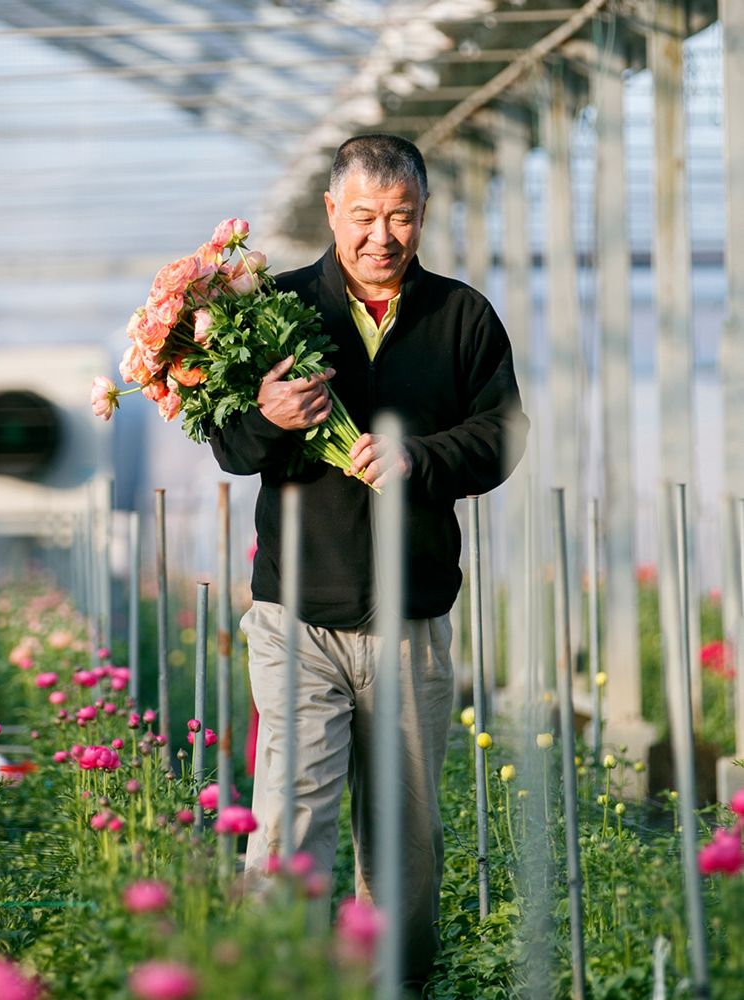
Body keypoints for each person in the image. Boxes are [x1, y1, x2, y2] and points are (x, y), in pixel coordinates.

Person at [208, 133, 527, 988]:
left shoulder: (460, 317)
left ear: (423, 215)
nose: (381, 235)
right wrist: (268, 414)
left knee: (404, 839)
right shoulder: (276, 310)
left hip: (409, 616)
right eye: (363, 216)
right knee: (289, 825)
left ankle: (395, 984)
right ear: (331, 214)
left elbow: (501, 438)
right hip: (297, 615)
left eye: (401, 216)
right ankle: (284, 981)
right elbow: (227, 445)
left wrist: (423, 458)